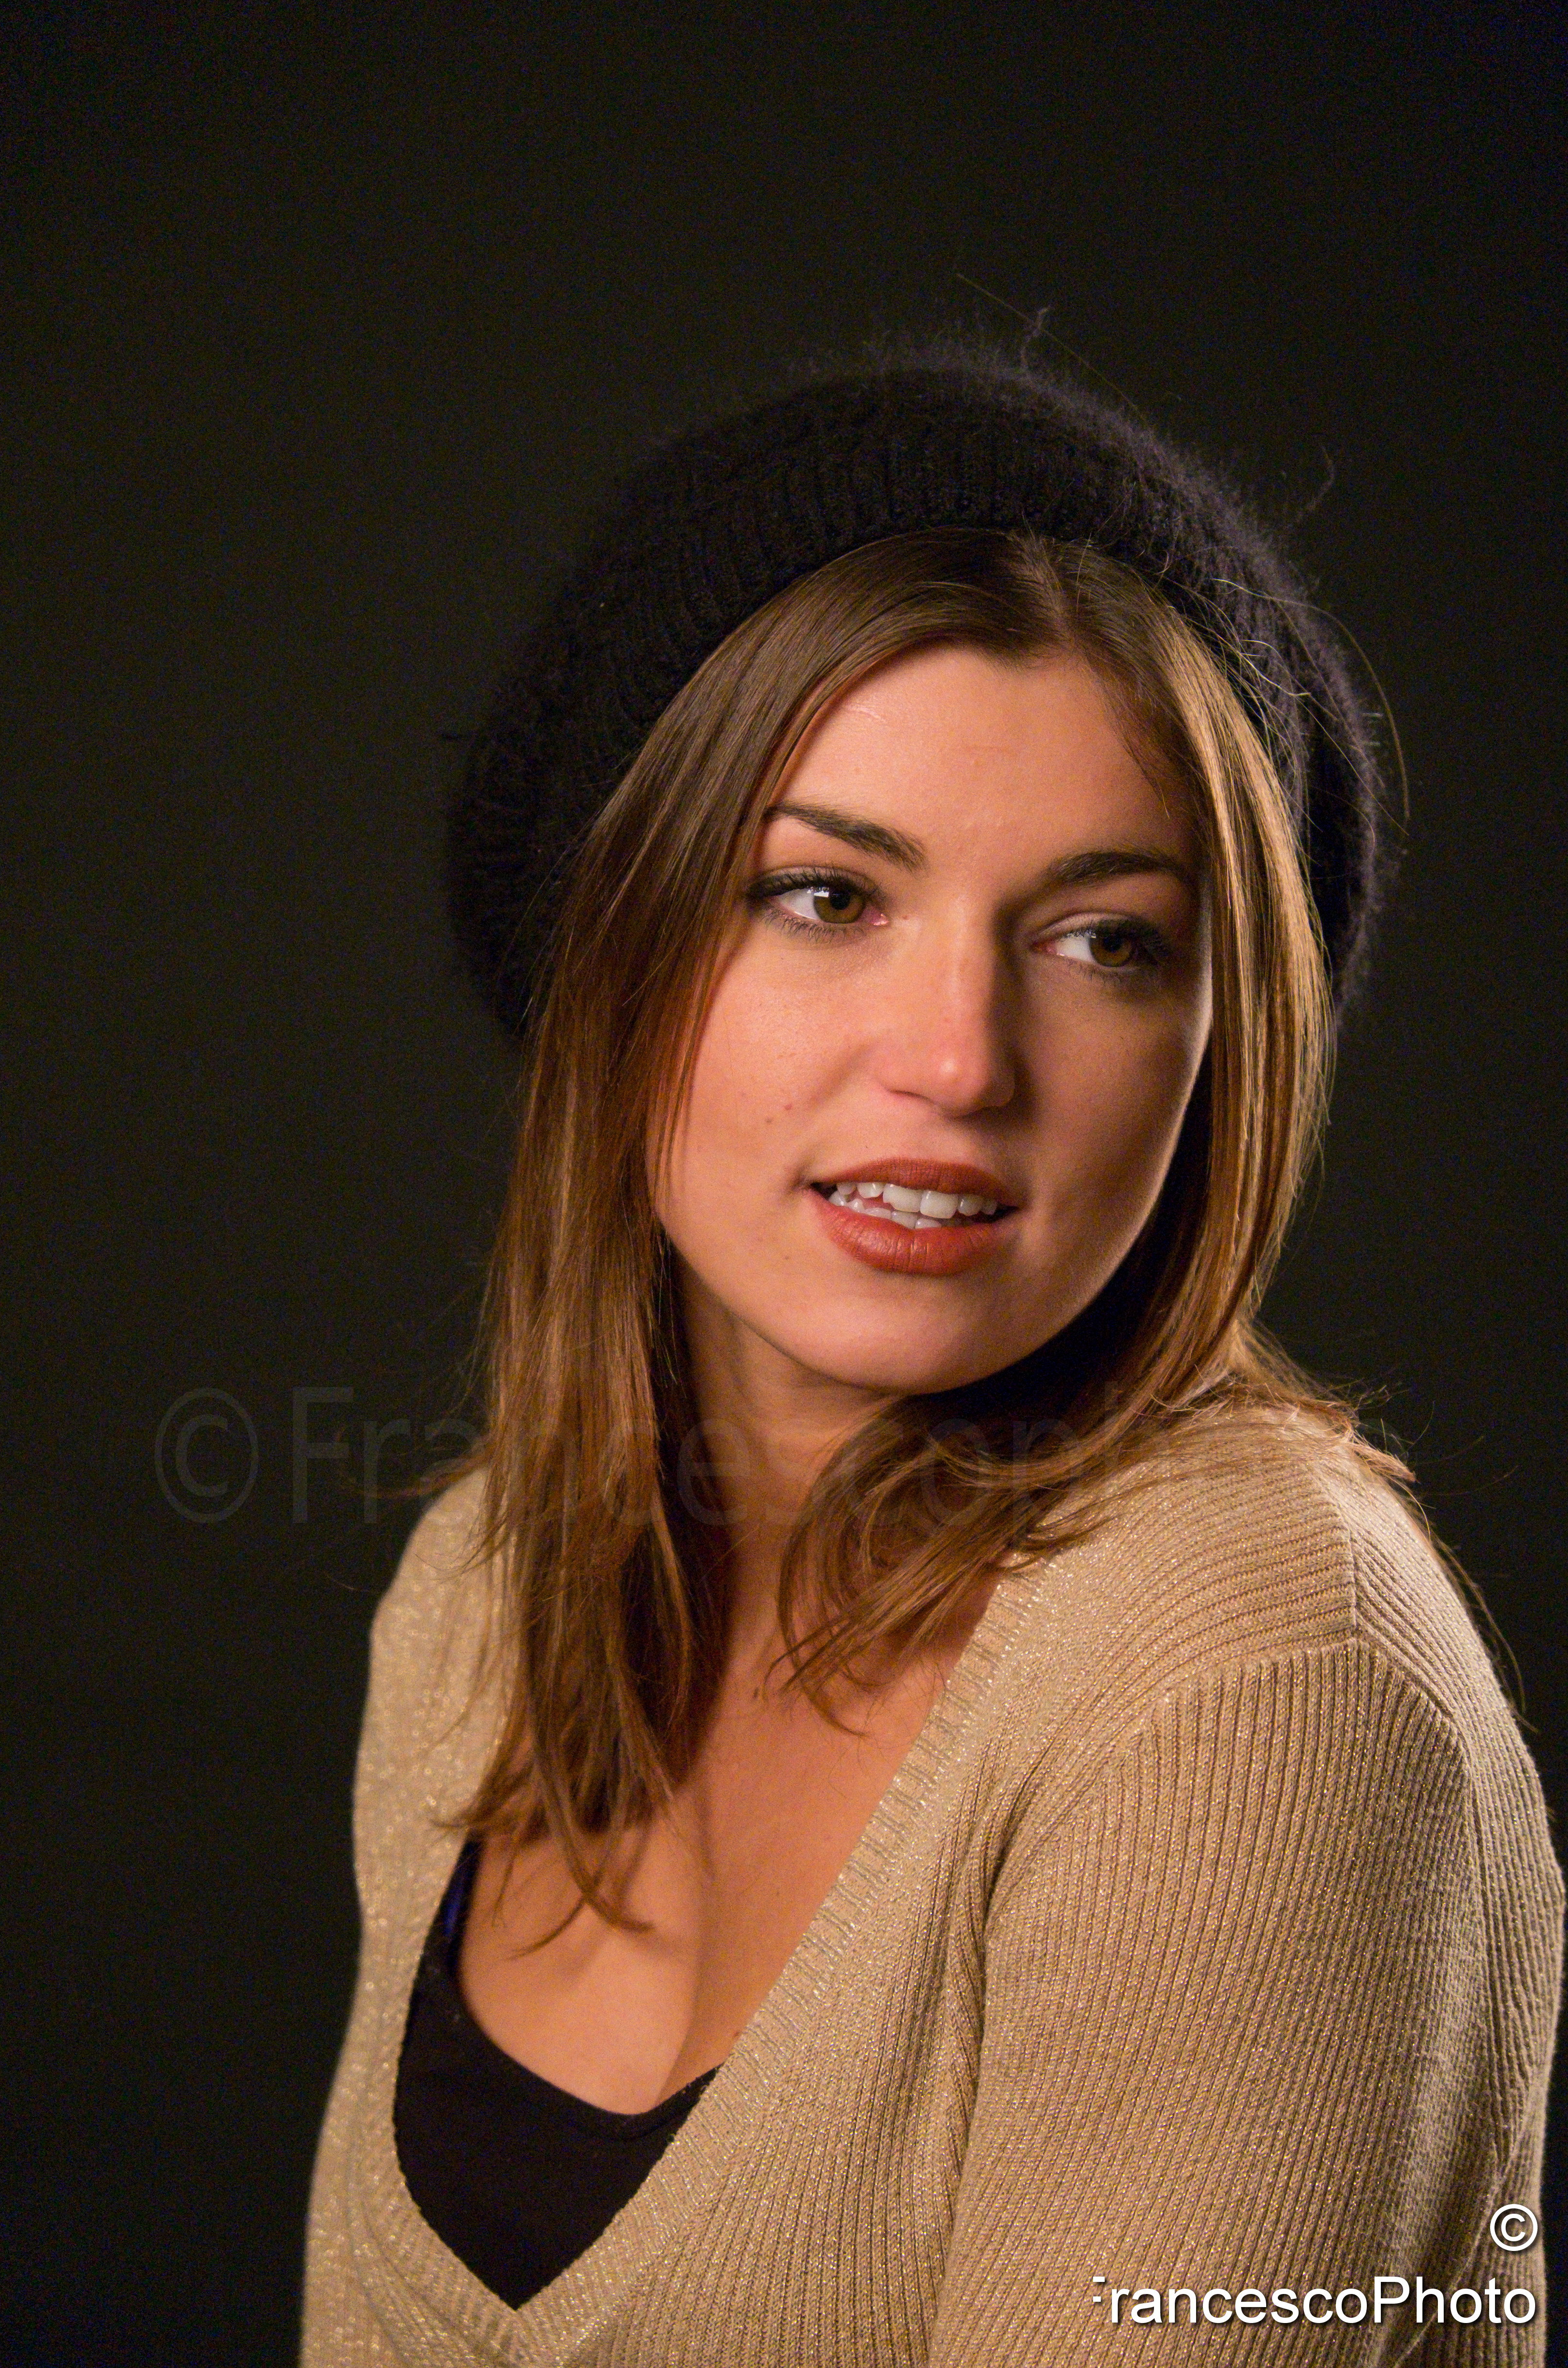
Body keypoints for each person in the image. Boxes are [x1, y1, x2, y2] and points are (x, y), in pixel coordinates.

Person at [301, 345, 1562, 2364]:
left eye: (1107, 939)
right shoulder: (478, 1604)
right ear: (606, 948)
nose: (962, 1060)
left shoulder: (1255, 1686)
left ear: (1221, 1042)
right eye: (825, 896)